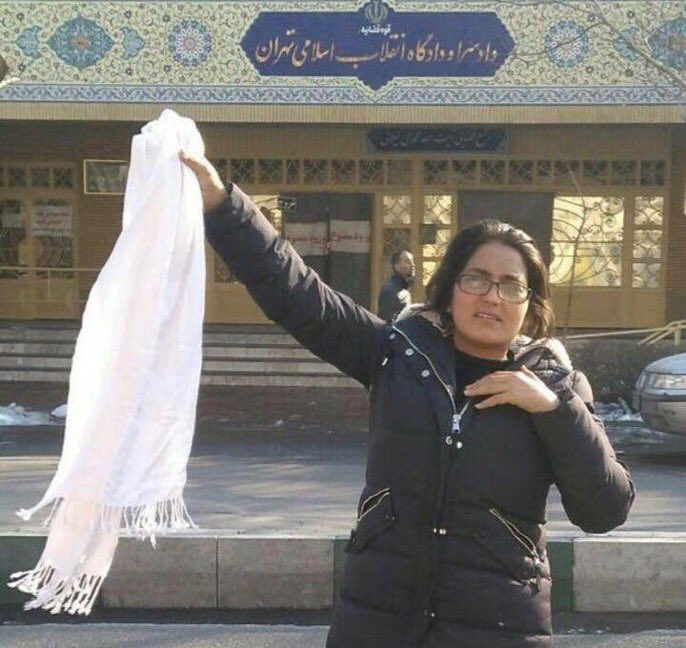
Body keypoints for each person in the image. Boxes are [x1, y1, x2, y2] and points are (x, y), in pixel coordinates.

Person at [180, 149, 635, 648]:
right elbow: (299, 294)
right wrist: (222, 205)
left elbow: (605, 510)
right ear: (450, 290)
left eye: (511, 286)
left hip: (499, 630)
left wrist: (551, 409)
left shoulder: (557, 387)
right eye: (477, 279)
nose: (491, 296)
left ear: (530, 304)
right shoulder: (395, 355)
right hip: (379, 624)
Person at [378, 248, 415, 322]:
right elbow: (388, 320)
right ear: (397, 266)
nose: (413, 265)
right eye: (407, 262)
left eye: (413, 261)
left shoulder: (403, 288)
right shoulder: (392, 289)